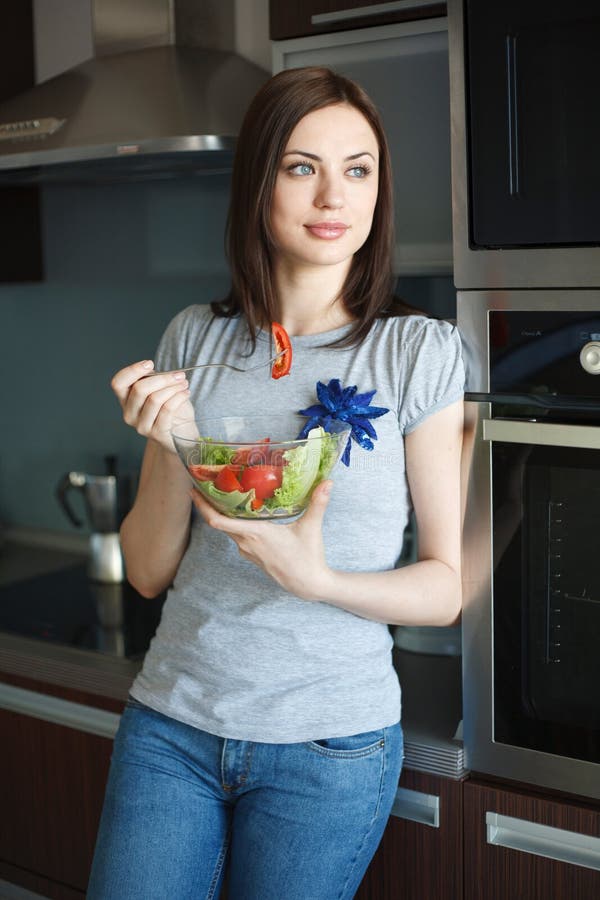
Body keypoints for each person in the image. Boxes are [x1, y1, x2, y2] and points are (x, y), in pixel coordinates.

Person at [87, 66, 465, 900]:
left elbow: (447, 589)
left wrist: (315, 579)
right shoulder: (194, 337)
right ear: (260, 182)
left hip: (329, 747)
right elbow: (147, 570)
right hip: (172, 724)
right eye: (302, 167)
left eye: (357, 170)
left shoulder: (418, 351)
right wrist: (172, 440)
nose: (334, 196)